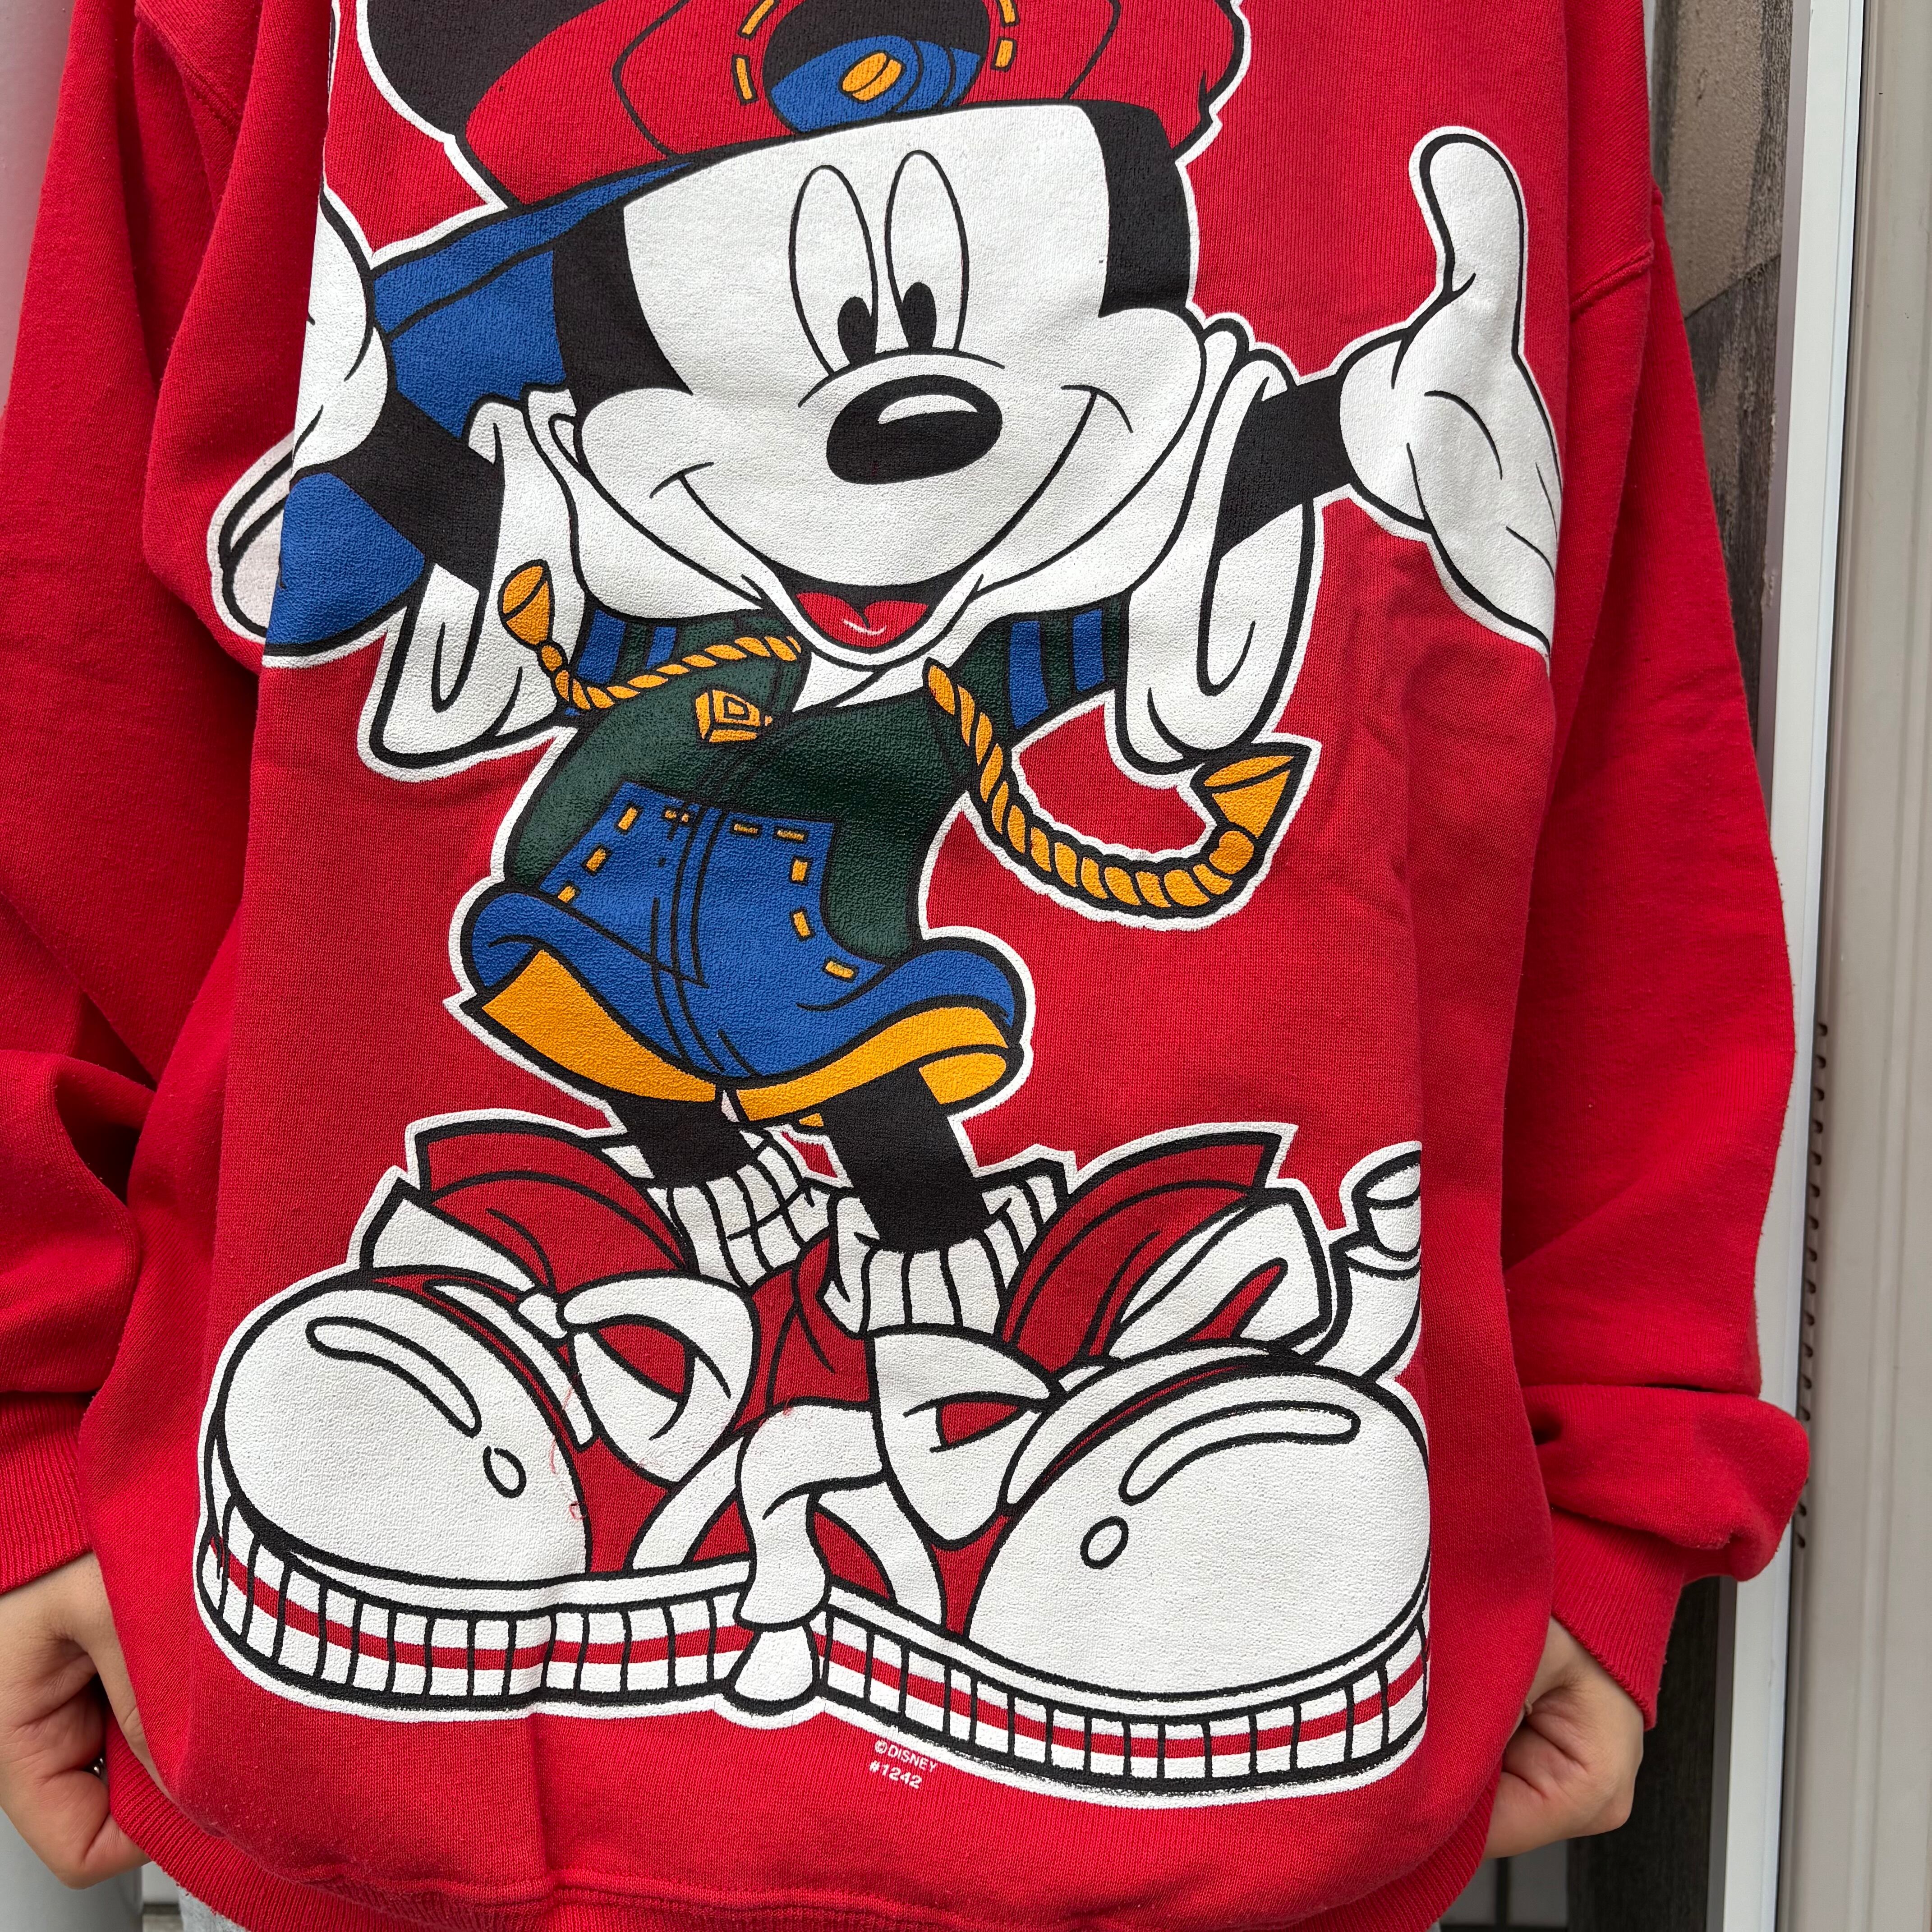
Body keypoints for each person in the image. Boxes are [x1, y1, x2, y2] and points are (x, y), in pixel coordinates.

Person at [0, 0, 1807, 1925]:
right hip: (384, 1701)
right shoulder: (605, 566)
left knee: (870, 1084)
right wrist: (34, 1425)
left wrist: (1622, 1473)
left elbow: (1588, 714)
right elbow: (95, 683)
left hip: (1224, 1722)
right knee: (634, 1057)